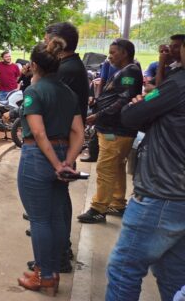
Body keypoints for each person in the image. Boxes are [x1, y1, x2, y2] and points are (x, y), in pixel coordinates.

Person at [105, 41, 185, 300]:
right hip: (176, 193)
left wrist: (141, 104)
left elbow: (131, 114)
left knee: (124, 267)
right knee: (173, 272)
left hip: (163, 192)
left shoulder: (177, 85)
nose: (175, 49)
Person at [16, 37, 84, 295]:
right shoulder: (68, 92)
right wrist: (67, 160)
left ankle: (44, 277)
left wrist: (56, 163)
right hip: (61, 151)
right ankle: (51, 271)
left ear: (34, 65)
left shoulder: (34, 92)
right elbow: (78, 131)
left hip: (37, 157)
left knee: (40, 220)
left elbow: (39, 133)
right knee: (56, 218)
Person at [77, 39, 142, 225]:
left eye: (113, 52)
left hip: (116, 130)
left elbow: (123, 100)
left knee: (105, 168)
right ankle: (117, 202)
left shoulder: (131, 71)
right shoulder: (125, 70)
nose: (110, 56)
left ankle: (98, 209)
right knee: (117, 166)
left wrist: (98, 115)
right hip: (114, 128)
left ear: (125, 53)